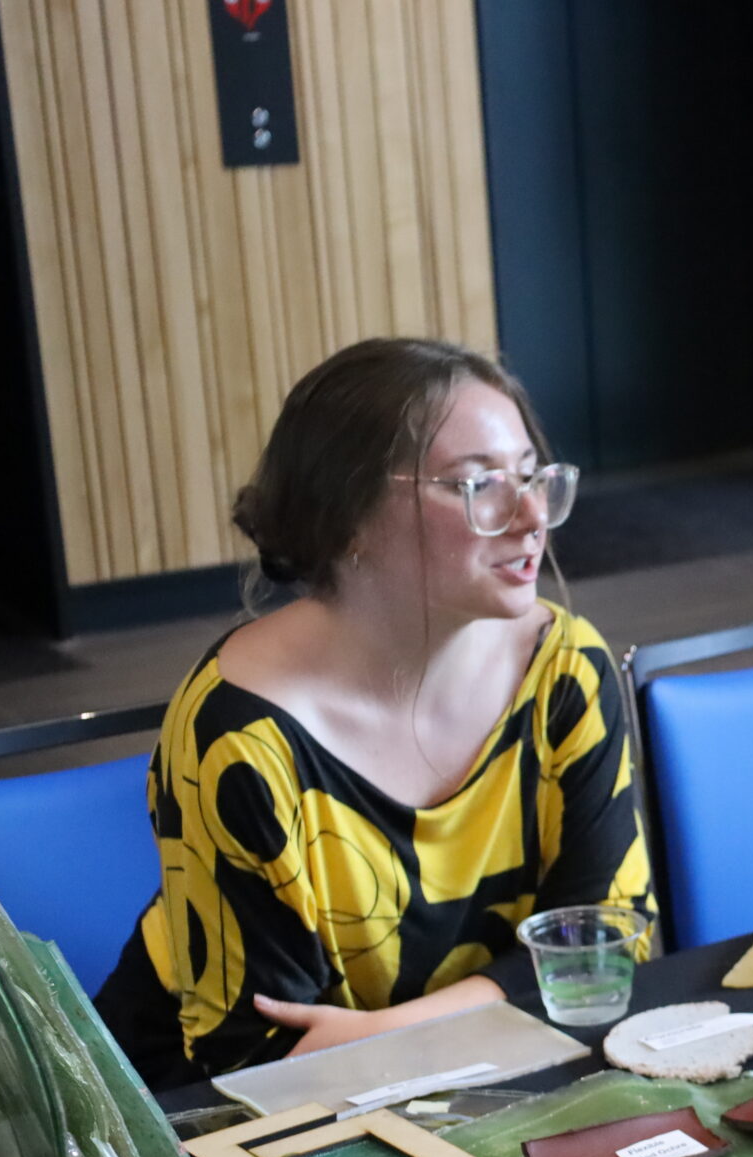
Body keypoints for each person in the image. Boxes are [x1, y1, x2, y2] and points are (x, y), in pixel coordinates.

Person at [95, 339, 653, 1088]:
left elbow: (604, 949)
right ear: (348, 517)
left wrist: (390, 1029)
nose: (530, 517)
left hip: (458, 1076)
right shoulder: (241, 735)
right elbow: (263, 1061)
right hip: (206, 1121)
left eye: (530, 477)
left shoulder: (563, 672)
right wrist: (493, 1002)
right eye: (479, 484)